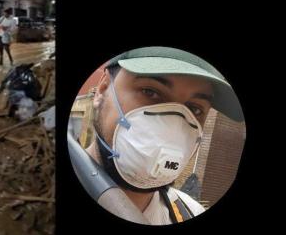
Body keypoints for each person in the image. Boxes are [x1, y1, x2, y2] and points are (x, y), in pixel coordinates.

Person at [84, 47, 243, 225]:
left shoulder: (191, 212)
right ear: (102, 89)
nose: (172, 127)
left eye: (194, 108)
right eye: (150, 92)